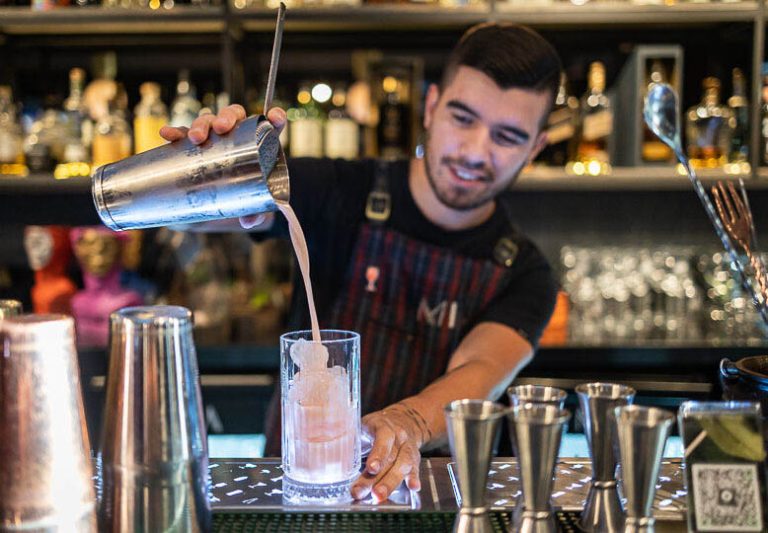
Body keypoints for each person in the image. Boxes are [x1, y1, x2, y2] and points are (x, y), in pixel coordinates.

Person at [161, 22, 561, 503]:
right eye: (463, 118)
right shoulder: (340, 190)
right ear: (431, 107)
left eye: (508, 136)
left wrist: (409, 422)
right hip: (297, 499)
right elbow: (200, 218)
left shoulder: (525, 273)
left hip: (425, 503)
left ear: (536, 147)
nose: (476, 151)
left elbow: (479, 370)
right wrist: (210, 168)